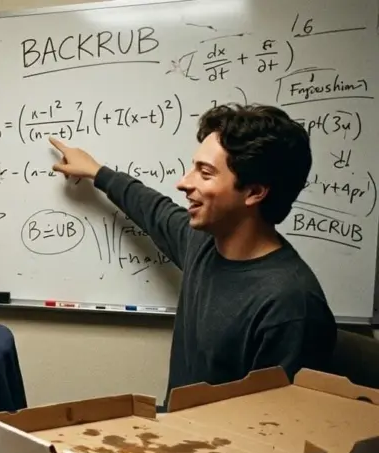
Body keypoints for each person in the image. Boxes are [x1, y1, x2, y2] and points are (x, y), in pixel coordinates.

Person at [48, 103, 336, 402]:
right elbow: (152, 208)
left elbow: (279, 421)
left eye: (205, 173)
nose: (184, 183)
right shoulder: (203, 243)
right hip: (178, 426)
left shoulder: (290, 306)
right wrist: (97, 172)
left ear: (254, 192)